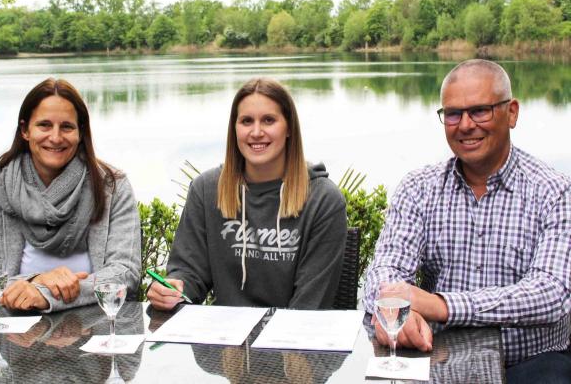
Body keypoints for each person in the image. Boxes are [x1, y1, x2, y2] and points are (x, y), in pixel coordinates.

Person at [364, 59, 571, 383]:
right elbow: (384, 270)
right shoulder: (419, 188)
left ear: (512, 112)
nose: (465, 125)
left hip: (532, 361)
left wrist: (442, 306)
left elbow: (550, 293)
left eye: (480, 111)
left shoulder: (554, 191)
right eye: (453, 114)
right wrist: (389, 310)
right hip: (440, 355)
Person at [148, 78, 347, 310]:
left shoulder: (323, 200)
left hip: (294, 339)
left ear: (290, 127)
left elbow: (310, 304)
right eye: (246, 121)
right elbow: (189, 274)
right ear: (235, 129)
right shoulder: (206, 189)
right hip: (222, 338)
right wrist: (171, 292)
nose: (256, 132)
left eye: (269, 120)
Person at [0, 78, 141, 314]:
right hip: (15, 341)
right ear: (25, 130)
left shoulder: (113, 188)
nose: (56, 137)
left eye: (67, 127)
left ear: (80, 133)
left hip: (99, 335)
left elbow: (126, 273)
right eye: (44, 125)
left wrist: (46, 294)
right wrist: (35, 281)